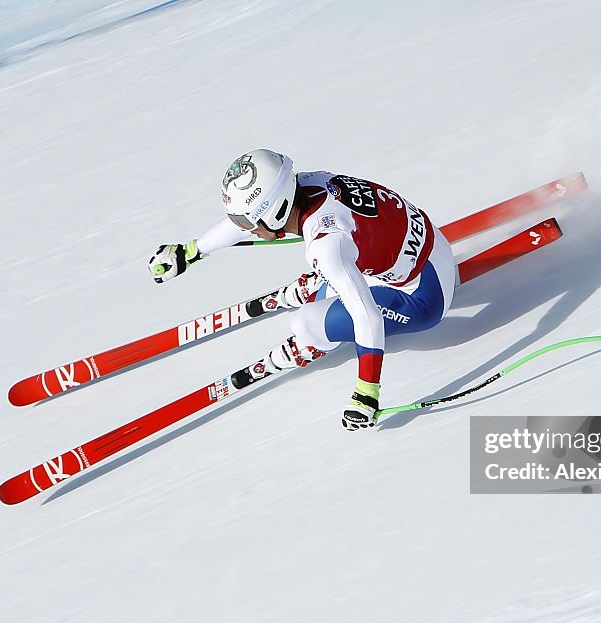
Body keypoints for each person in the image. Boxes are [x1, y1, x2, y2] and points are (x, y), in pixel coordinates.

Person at [148, 149, 455, 430]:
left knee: (306, 321)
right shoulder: (310, 183)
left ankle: (310, 340)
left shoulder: (326, 244)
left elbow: (368, 318)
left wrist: (367, 393)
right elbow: (262, 213)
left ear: (276, 211)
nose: (245, 228)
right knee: (337, 269)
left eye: (246, 220)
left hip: (424, 297)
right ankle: (326, 282)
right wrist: (192, 250)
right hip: (424, 243)